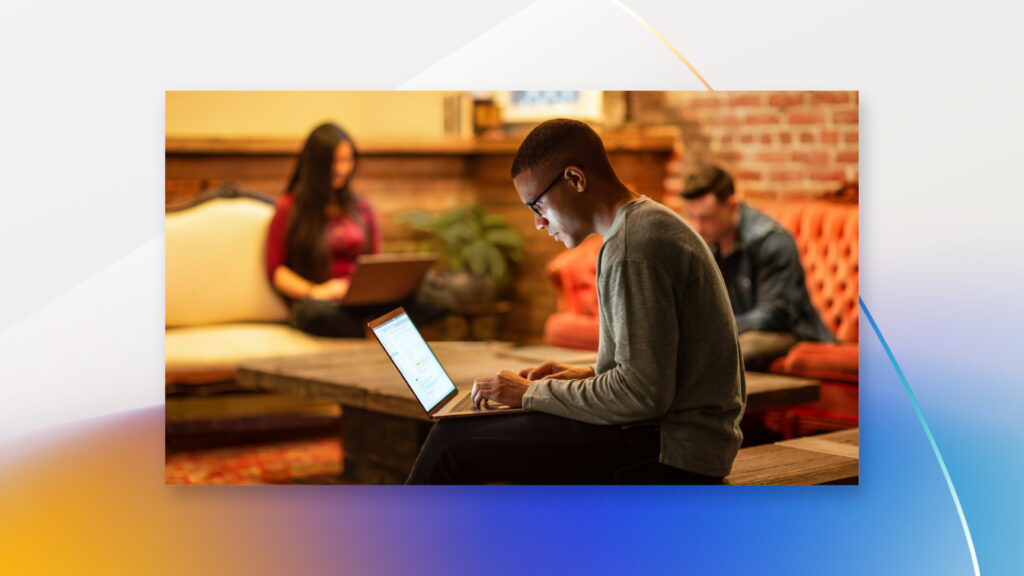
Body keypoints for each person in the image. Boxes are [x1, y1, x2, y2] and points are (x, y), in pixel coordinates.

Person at [406, 119, 745, 484]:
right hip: (673, 436)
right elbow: (655, 371)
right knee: (481, 430)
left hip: (674, 452)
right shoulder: (642, 226)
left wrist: (532, 392)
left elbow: (642, 395)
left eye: (536, 204)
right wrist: (582, 375)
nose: (538, 223)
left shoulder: (632, 247)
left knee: (451, 442)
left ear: (575, 179)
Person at [679, 165, 836, 371]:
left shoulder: (771, 240)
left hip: (790, 333)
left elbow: (774, 315)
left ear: (732, 205)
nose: (698, 226)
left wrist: (714, 328)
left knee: (736, 350)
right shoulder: (709, 241)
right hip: (743, 330)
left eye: (706, 217)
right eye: (693, 217)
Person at [265, 123, 381, 338]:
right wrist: (316, 291)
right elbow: (276, 271)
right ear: (316, 164)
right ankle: (372, 330)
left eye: (347, 160)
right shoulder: (289, 208)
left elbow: (375, 262)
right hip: (318, 303)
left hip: (361, 301)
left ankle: (369, 325)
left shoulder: (362, 208)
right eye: (334, 161)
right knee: (311, 313)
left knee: (434, 296)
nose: (342, 169)